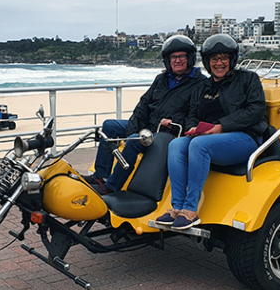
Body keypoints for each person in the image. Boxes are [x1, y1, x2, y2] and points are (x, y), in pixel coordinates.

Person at [157, 34, 268, 229]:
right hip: (209, 137)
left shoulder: (248, 79)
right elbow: (192, 113)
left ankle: (190, 210)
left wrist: (221, 126)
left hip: (244, 138)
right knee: (175, 144)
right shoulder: (203, 86)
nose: (219, 63)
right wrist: (193, 127)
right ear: (207, 62)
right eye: (214, 59)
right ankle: (177, 207)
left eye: (224, 58)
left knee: (199, 145)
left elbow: (255, 111)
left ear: (232, 59)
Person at [84, 35, 206, 195]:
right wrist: (130, 132)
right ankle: (101, 175)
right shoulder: (161, 79)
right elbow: (142, 106)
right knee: (109, 126)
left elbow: (196, 114)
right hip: (148, 126)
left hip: (168, 133)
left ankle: (112, 186)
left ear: (190, 58)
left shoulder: (200, 83)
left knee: (135, 140)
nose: (177, 60)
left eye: (181, 56)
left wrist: (174, 123)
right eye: (173, 57)